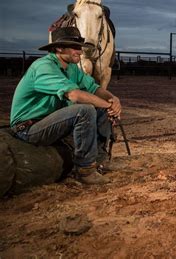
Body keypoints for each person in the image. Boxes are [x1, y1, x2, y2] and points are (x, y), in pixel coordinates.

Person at [10, 26, 122, 184]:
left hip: (48, 121)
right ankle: (85, 170)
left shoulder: (71, 68)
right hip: (28, 127)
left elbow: (94, 88)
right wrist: (107, 105)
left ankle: (98, 161)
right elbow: (75, 95)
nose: (81, 52)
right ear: (59, 48)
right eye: (75, 47)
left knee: (98, 107)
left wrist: (113, 99)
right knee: (84, 110)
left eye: (80, 48)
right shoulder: (44, 66)